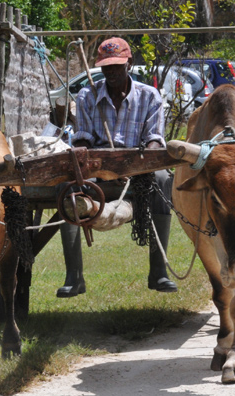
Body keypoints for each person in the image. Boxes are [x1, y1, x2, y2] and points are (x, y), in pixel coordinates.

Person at [56, 37, 177, 298]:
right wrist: (86, 155)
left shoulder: (149, 96)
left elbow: (155, 139)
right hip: (97, 167)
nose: (111, 72)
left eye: (116, 66)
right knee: (67, 187)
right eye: (106, 67)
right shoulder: (88, 94)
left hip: (138, 168)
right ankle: (74, 277)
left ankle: (159, 272)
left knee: (163, 178)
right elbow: (83, 137)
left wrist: (143, 159)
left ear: (129, 63)